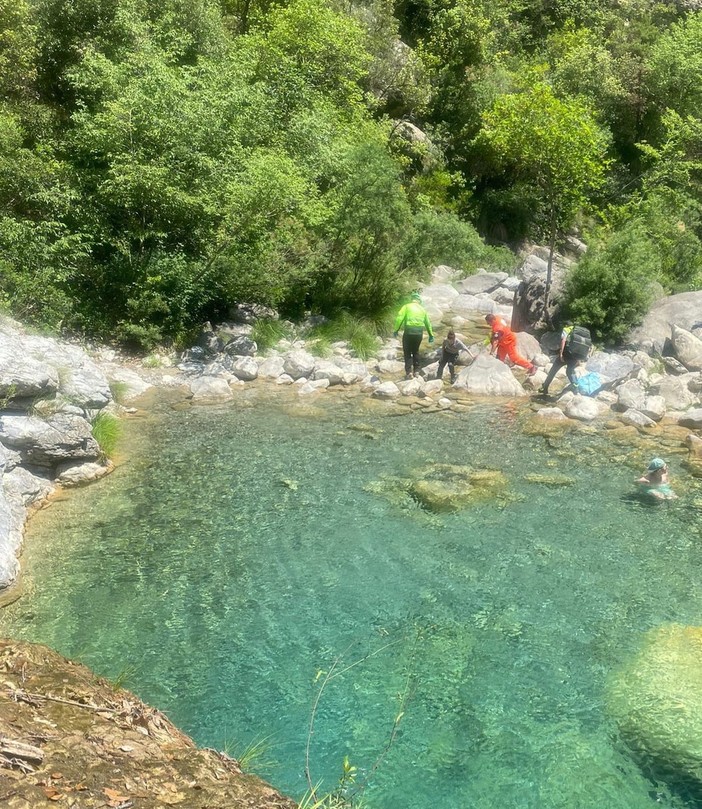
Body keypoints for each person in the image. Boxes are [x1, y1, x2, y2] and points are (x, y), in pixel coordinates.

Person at [539, 324, 592, 396]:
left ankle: (545, 388)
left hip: (566, 354)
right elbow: (588, 347)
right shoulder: (581, 334)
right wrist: (578, 358)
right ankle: (575, 387)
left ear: (567, 324)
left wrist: (561, 353)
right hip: (575, 356)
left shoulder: (567, 329)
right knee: (570, 371)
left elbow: (563, 340)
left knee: (553, 370)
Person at [394, 293, 434, 379]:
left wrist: (396, 330)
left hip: (408, 331)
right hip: (419, 333)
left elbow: (399, 318)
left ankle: (409, 372)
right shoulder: (423, 310)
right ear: (419, 301)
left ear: (412, 299)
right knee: (416, 351)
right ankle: (417, 371)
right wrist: (431, 335)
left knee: (407, 352)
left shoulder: (407, 306)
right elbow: (428, 323)